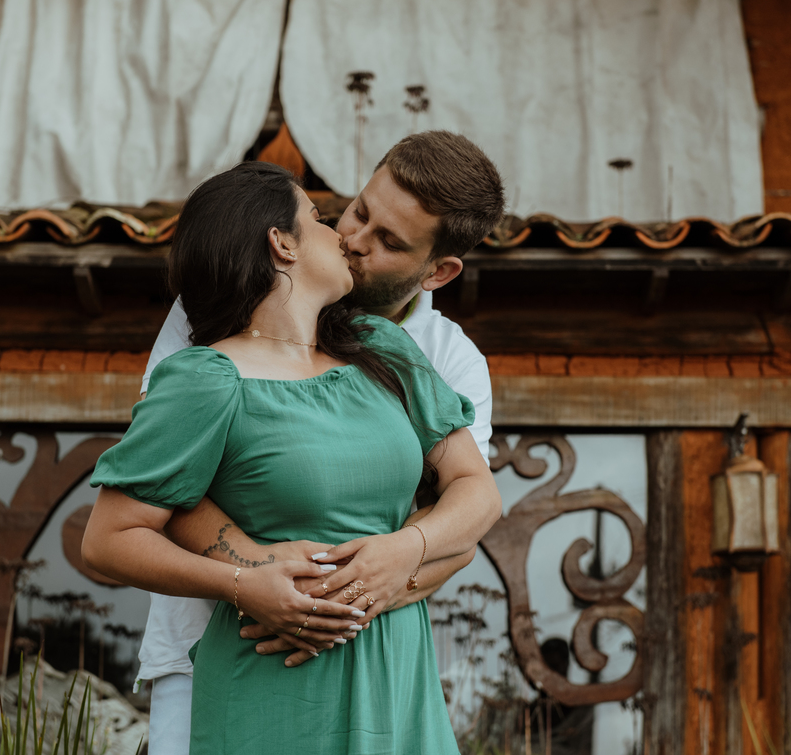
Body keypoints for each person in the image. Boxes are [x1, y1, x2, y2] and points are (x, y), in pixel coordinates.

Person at [81, 159, 503, 753]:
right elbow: (116, 531)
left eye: (386, 240)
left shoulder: (389, 349)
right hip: (263, 659)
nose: (348, 239)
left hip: (394, 665)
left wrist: (402, 551)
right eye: (333, 217)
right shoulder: (202, 372)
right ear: (281, 244)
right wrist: (250, 579)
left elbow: (475, 494)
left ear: (438, 269)